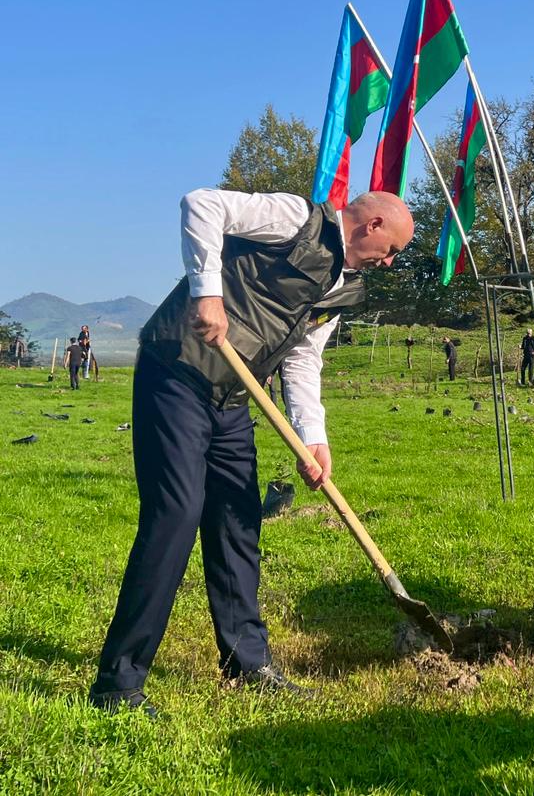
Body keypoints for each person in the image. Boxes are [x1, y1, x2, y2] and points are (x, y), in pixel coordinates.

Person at [89, 187, 413, 717]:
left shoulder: (344, 289)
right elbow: (202, 204)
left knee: (239, 521)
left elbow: (304, 360)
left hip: (235, 396)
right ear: (373, 225)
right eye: (393, 248)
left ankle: (246, 664)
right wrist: (206, 293)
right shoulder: (294, 220)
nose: (390, 260)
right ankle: (118, 684)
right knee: (176, 515)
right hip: (179, 368)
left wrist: (314, 436)